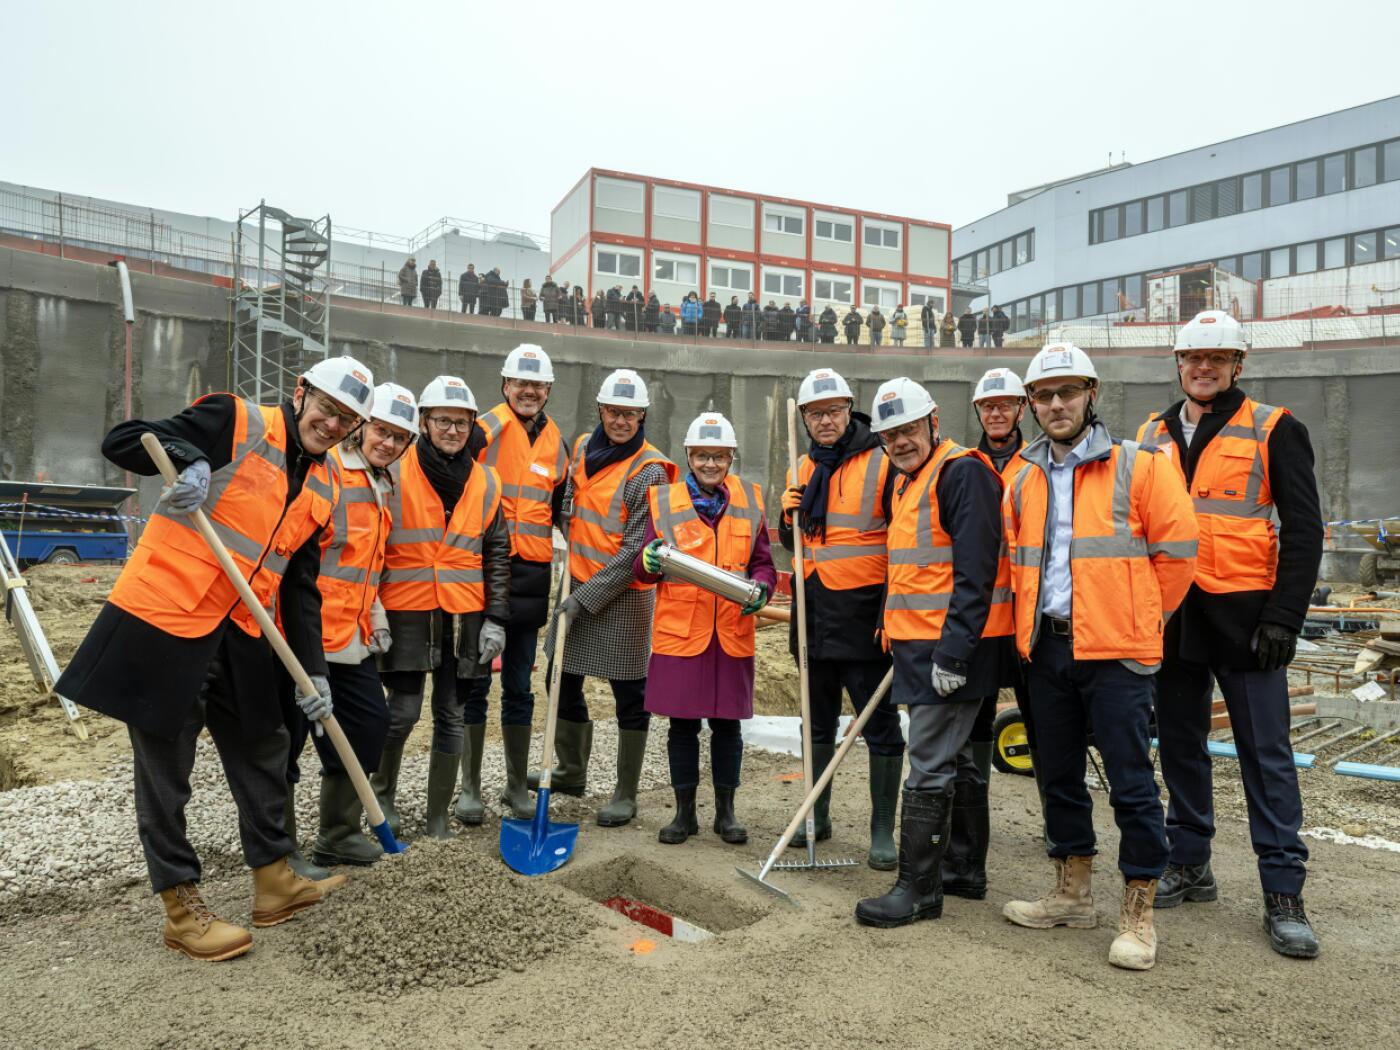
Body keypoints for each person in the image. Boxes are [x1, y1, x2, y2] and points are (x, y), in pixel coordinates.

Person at [55, 356, 374, 961]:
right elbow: (124, 439)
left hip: (242, 631)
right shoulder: (239, 420)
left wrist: (315, 671)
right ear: (301, 393)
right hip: (168, 619)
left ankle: (274, 879)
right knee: (166, 771)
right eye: (328, 409)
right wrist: (190, 460)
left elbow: (301, 585)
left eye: (347, 420)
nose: (333, 426)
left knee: (266, 746)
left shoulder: (329, 483)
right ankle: (181, 905)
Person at [1002, 342, 1198, 971]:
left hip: (1117, 652)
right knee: (1056, 774)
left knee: (1131, 782)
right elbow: (1017, 564)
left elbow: (1178, 559)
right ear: (1032, 405)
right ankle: (1073, 892)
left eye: (1067, 393)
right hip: (1047, 649)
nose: (1056, 405)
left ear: (1091, 395)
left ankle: (1139, 908)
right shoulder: (1022, 478)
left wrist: (1138, 619)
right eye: (1044, 396)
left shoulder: (1141, 466)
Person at [1137, 311, 1324, 959]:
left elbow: (1304, 531)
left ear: (1239, 364)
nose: (1205, 367)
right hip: (1174, 618)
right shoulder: (1150, 434)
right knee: (1181, 745)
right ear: (1179, 364)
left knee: (1264, 756)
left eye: (1218, 357)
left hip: (1249, 623)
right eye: (1194, 357)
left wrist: (1284, 619)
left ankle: (1283, 890)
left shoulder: (1275, 429)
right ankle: (1190, 862)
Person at [853, 377, 1010, 930]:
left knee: (928, 765)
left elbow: (976, 572)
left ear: (933, 422)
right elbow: (912, 568)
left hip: (950, 647)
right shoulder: (908, 482)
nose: (900, 441)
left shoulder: (960, 473)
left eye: (909, 429)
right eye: (890, 435)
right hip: (922, 644)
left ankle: (916, 888)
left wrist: (955, 653)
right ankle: (963, 869)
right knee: (959, 758)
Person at [371, 376, 511, 841]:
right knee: (403, 712)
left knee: (451, 714)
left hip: (463, 613)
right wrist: (370, 607)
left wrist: (496, 617)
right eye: (443, 421)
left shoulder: (486, 480)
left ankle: (436, 818)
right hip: (406, 607)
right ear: (424, 423)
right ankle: (382, 795)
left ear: (472, 426)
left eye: (462, 422)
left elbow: (496, 553)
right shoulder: (394, 468)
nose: (453, 430)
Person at [542, 369, 678, 827]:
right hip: (575, 582)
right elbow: (570, 506)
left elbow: (636, 551)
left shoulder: (650, 471)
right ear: (600, 410)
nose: (621, 421)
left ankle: (625, 791)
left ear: (643, 415)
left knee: (629, 694)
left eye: (631, 414)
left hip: (625, 597)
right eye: (614, 412)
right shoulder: (583, 447)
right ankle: (571, 769)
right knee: (559, 676)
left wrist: (585, 599)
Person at [780, 369, 902, 869]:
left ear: (850, 408)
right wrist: (788, 517)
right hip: (813, 617)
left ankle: (881, 832)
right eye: (815, 413)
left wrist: (891, 611)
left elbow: (901, 539)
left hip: (866, 616)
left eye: (833, 410)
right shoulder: (801, 466)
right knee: (817, 726)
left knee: (881, 728)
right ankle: (817, 816)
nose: (825, 420)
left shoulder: (883, 461)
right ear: (805, 418)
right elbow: (801, 545)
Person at [636, 413, 775, 845]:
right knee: (682, 728)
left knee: (728, 727)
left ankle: (726, 814)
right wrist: (648, 562)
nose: (710, 464)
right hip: (682, 634)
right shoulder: (663, 501)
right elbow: (644, 566)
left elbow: (763, 562)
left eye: (718, 456)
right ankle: (684, 815)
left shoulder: (751, 500)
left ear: (731, 457)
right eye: (702, 456)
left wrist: (763, 589)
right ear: (689, 456)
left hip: (730, 631)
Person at [301, 382, 419, 869]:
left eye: (398, 438)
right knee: (287, 741)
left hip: (351, 635)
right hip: (306, 633)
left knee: (370, 725)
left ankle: (339, 833)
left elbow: (366, 564)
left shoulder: (381, 483)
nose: (387, 443)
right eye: (380, 431)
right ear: (360, 428)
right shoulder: (330, 472)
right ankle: (280, 851)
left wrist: (376, 617)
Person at [458, 345, 569, 824]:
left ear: (547, 391)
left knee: (520, 684)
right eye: (520, 384)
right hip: (484, 568)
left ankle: (515, 784)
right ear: (505, 385)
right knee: (476, 680)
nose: (528, 392)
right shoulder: (485, 427)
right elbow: (452, 458)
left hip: (531, 574)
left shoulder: (556, 440)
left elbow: (558, 500)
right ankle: (469, 789)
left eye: (537, 385)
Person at [945, 367, 1032, 900]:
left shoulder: (1040, 462)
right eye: (988, 406)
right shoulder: (963, 465)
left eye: (1005, 405)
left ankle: (1057, 830)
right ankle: (973, 836)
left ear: (1021, 409)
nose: (996, 413)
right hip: (979, 619)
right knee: (974, 726)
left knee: (1044, 722)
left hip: (1026, 619)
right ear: (978, 411)